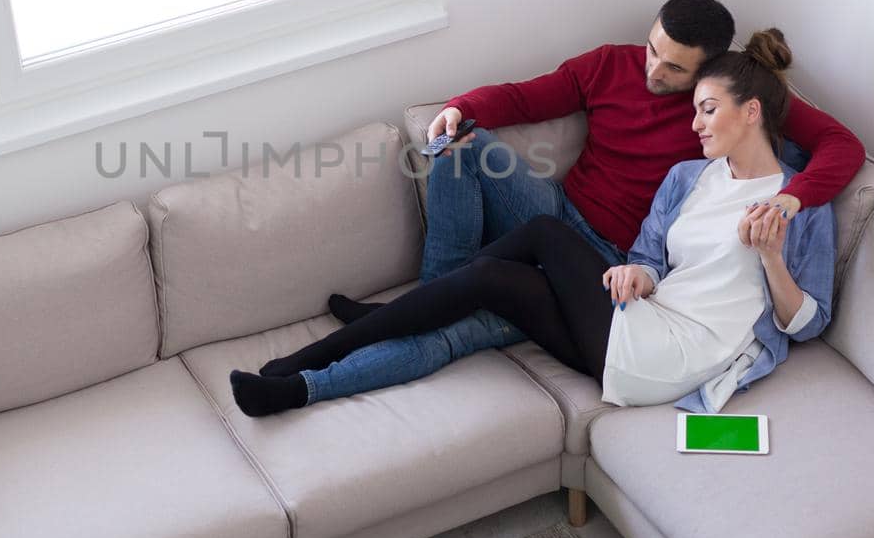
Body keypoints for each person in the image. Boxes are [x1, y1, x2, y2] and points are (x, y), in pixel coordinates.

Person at [229, 28, 836, 416]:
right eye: (694, 108)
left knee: (519, 259)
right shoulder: (687, 178)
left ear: (750, 112)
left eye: (706, 109)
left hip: (664, 354)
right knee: (489, 271)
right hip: (628, 322)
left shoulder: (799, 201)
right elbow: (653, 260)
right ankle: (294, 382)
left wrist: (773, 257)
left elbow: (808, 323)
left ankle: (386, 320)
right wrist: (638, 277)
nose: (695, 122)